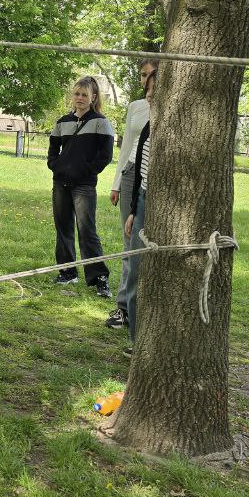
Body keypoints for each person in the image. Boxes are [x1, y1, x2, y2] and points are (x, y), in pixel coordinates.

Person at [47, 76, 115, 299]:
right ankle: (67, 272)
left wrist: (87, 171)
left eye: (85, 94)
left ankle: (99, 277)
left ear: (93, 97)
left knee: (87, 230)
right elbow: (53, 149)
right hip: (61, 183)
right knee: (63, 228)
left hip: (84, 185)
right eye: (77, 93)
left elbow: (105, 155)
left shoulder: (101, 122)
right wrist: (56, 166)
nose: (80, 98)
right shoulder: (62, 122)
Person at [107, 59, 157, 329]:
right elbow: (127, 144)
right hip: (130, 174)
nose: (146, 80)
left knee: (145, 243)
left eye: (151, 75)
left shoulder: (171, 107)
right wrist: (116, 183)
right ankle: (123, 308)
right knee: (129, 242)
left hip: (155, 177)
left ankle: (142, 306)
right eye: (142, 75)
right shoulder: (136, 107)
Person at [123, 77, 155, 355]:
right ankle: (136, 342)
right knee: (135, 270)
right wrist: (134, 210)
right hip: (144, 200)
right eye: (148, 91)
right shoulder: (147, 127)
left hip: (165, 202)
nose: (150, 95)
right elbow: (138, 177)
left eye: (156, 90)